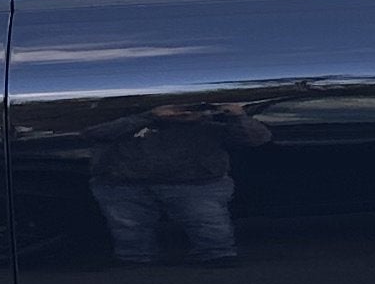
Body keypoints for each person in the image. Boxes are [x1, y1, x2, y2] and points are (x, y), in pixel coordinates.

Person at [90, 101, 267, 262]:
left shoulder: (213, 127)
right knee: (128, 229)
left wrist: (238, 116)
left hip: (198, 184)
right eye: (177, 106)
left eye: (192, 106)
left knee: (209, 224)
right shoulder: (127, 119)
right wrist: (149, 116)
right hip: (125, 184)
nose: (184, 111)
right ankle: (134, 263)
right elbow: (93, 133)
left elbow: (257, 139)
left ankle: (218, 257)